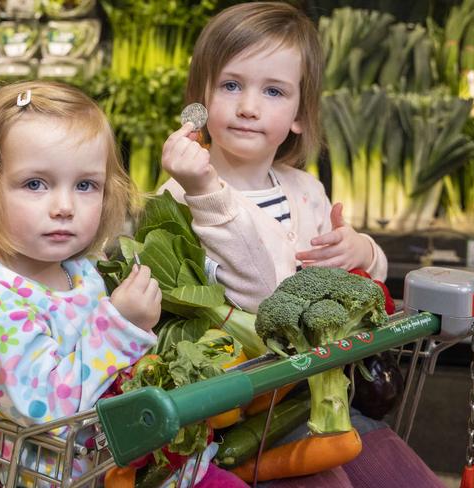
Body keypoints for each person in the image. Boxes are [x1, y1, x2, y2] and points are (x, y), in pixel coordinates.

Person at [159, 3, 446, 487]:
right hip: (240, 412)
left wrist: (361, 251)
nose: (249, 106)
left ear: (298, 115)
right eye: (231, 85)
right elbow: (259, 294)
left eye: (273, 91)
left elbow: (360, 281)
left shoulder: (305, 189)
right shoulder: (181, 198)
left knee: (405, 474)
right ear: (200, 101)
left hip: (320, 396)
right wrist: (202, 188)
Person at [0, 81, 162, 485]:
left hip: (114, 469)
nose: (64, 207)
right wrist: (123, 326)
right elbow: (50, 412)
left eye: (86, 185)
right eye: (35, 184)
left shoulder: (77, 268)